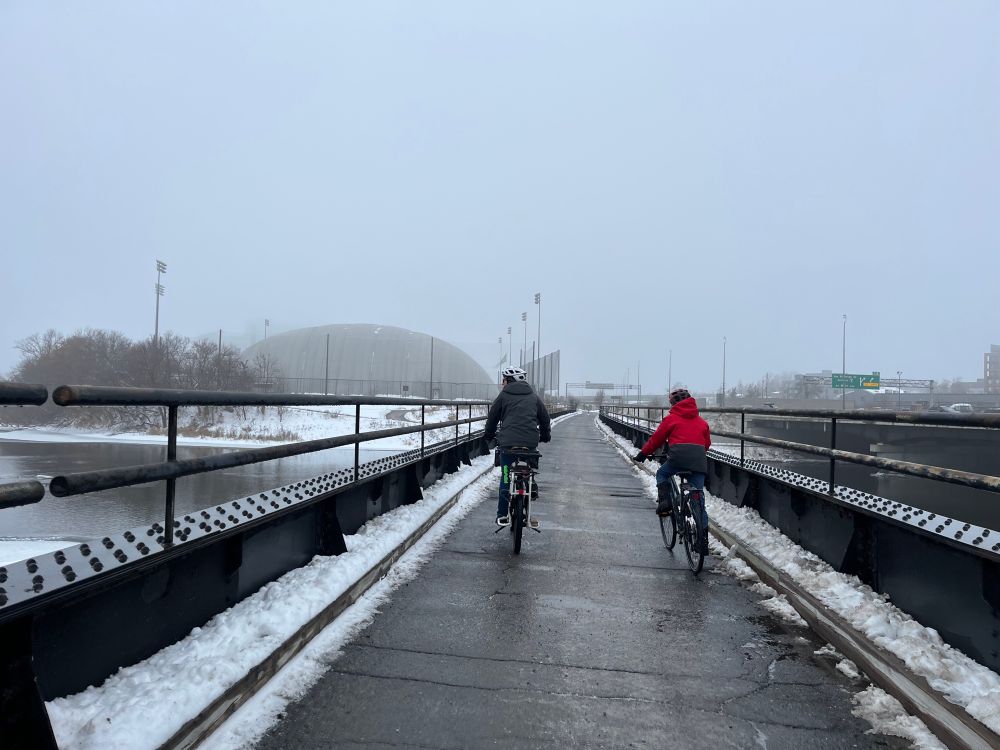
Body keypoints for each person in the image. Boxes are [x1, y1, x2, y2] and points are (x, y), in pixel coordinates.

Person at [632, 388, 711, 550]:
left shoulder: (671, 419)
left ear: (674, 404)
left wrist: (643, 453)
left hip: (677, 459)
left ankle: (665, 503)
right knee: (699, 499)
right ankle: (702, 540)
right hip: (698, 461)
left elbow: (657, 439)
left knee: (662, 473)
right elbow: (706, 444)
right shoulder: (702, 422)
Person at [483, 366, 551, 527]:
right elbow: (545, 419)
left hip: (508, 445)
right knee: (528, 470)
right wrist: (545, 436)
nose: (502, 384)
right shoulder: (534, 397)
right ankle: (530, 486)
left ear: (509, 381)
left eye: (504, 380)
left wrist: (489, 435)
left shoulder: (503, 396)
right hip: (530, 444)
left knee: (506, 476)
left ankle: (502, 514)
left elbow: (492, 418)